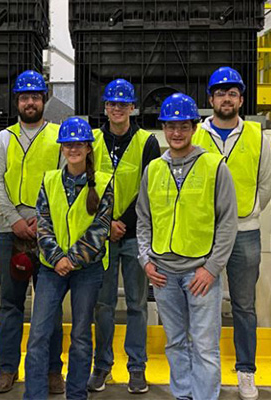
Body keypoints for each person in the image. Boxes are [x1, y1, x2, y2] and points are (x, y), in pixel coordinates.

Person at [136, 93, 238, 400]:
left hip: (200, 275)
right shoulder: (153, 169)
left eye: (183, 126)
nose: (176, 133)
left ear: (194, 127)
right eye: (170, 126)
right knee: (176, 341)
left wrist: (211, 269)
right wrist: (145, 261)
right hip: (163, 274)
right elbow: (143, 219)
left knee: (205, 346)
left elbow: (227, 223)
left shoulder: (213, 166)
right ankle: (183, 395)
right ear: (163, 129)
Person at [192, 66, 271, 400]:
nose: (226, 98)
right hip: (203, 234)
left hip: (244, 232)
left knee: (244, 306)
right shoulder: (195, 134)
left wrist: (248, 213)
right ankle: (201, 372)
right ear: (211, 99)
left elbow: (265, 184)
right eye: (220, 93)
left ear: (241, 98)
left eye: (232, 93)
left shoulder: (258, 136)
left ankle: (246, 372)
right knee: (200, 306)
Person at [23, 117, 113, 400]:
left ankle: (76, 394)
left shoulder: (104, 183)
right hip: (51, 269)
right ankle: (34, 395)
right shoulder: (49, 180)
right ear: (62, 148)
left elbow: (101, 228)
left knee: (81, 336)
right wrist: (57, 258)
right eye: (68, 144)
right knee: (38, 335)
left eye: (79, 144)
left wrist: (72, 260)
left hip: (87, 270)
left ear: (88, 147)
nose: (73, 149)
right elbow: (43, 223)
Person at [0, 70, 64, 394]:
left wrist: (41, 222)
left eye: (35, 96)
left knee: (51, 306)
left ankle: (51, 370)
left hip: (48, 234)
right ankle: (7, 369)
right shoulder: (2, 139)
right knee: (10, 305)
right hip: (9, 232)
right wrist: (14, 220)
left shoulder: (60, 136)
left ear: (43, 99)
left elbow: (64, 181)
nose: (30, 102)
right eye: (24, 97)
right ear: (17, 101)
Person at [89, 78, 160, 394]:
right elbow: (85, 188)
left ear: (133, 107)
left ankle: (136, 368)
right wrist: (107, 224)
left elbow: (150, 191)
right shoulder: (91, 141)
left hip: (134, 237)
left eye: (123, 103)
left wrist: (123, 223)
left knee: (136, 304)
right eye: (112, 103)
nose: (117, 108)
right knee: (102, 305)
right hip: (101, 237)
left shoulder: (148, 143)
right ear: (105, 107)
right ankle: (101, 367)